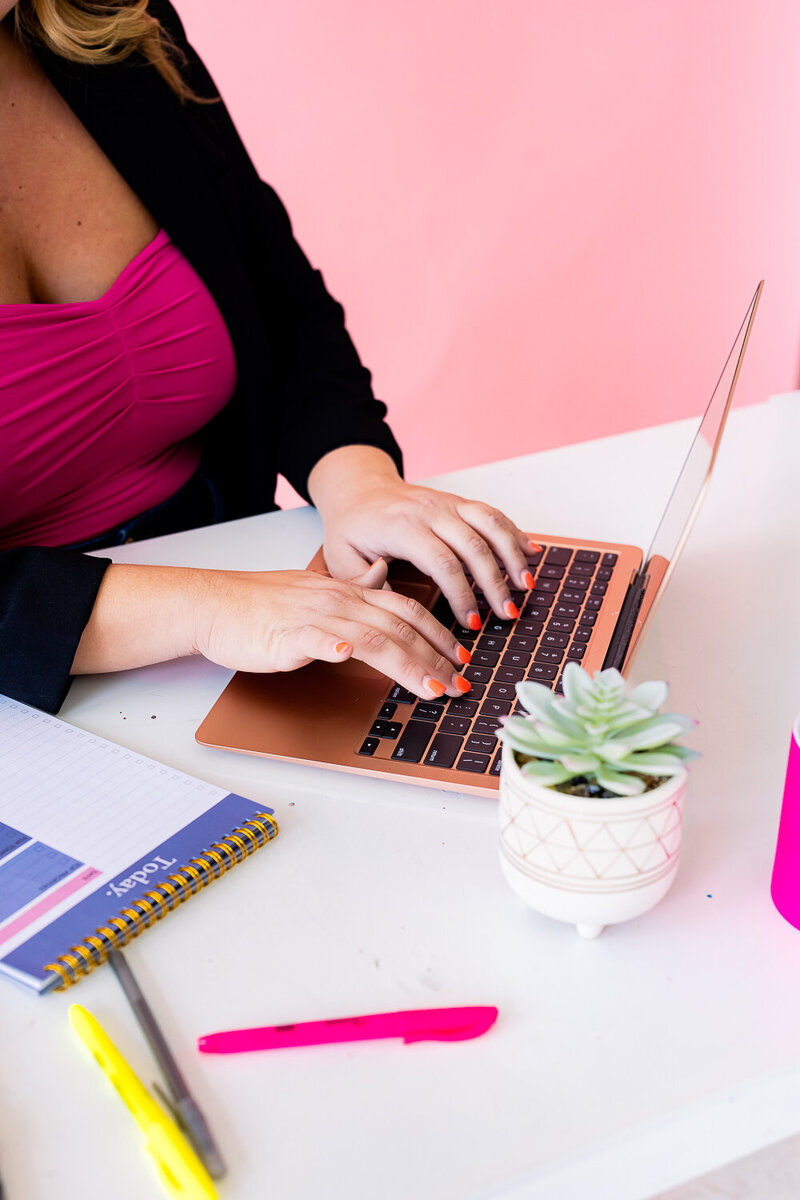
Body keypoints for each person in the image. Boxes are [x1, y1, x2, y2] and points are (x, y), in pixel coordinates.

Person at [0, 0, 537, 715]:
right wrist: (208, 607)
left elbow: (273, 299)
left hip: (243, 585)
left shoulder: (108, 23)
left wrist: (358, 481)